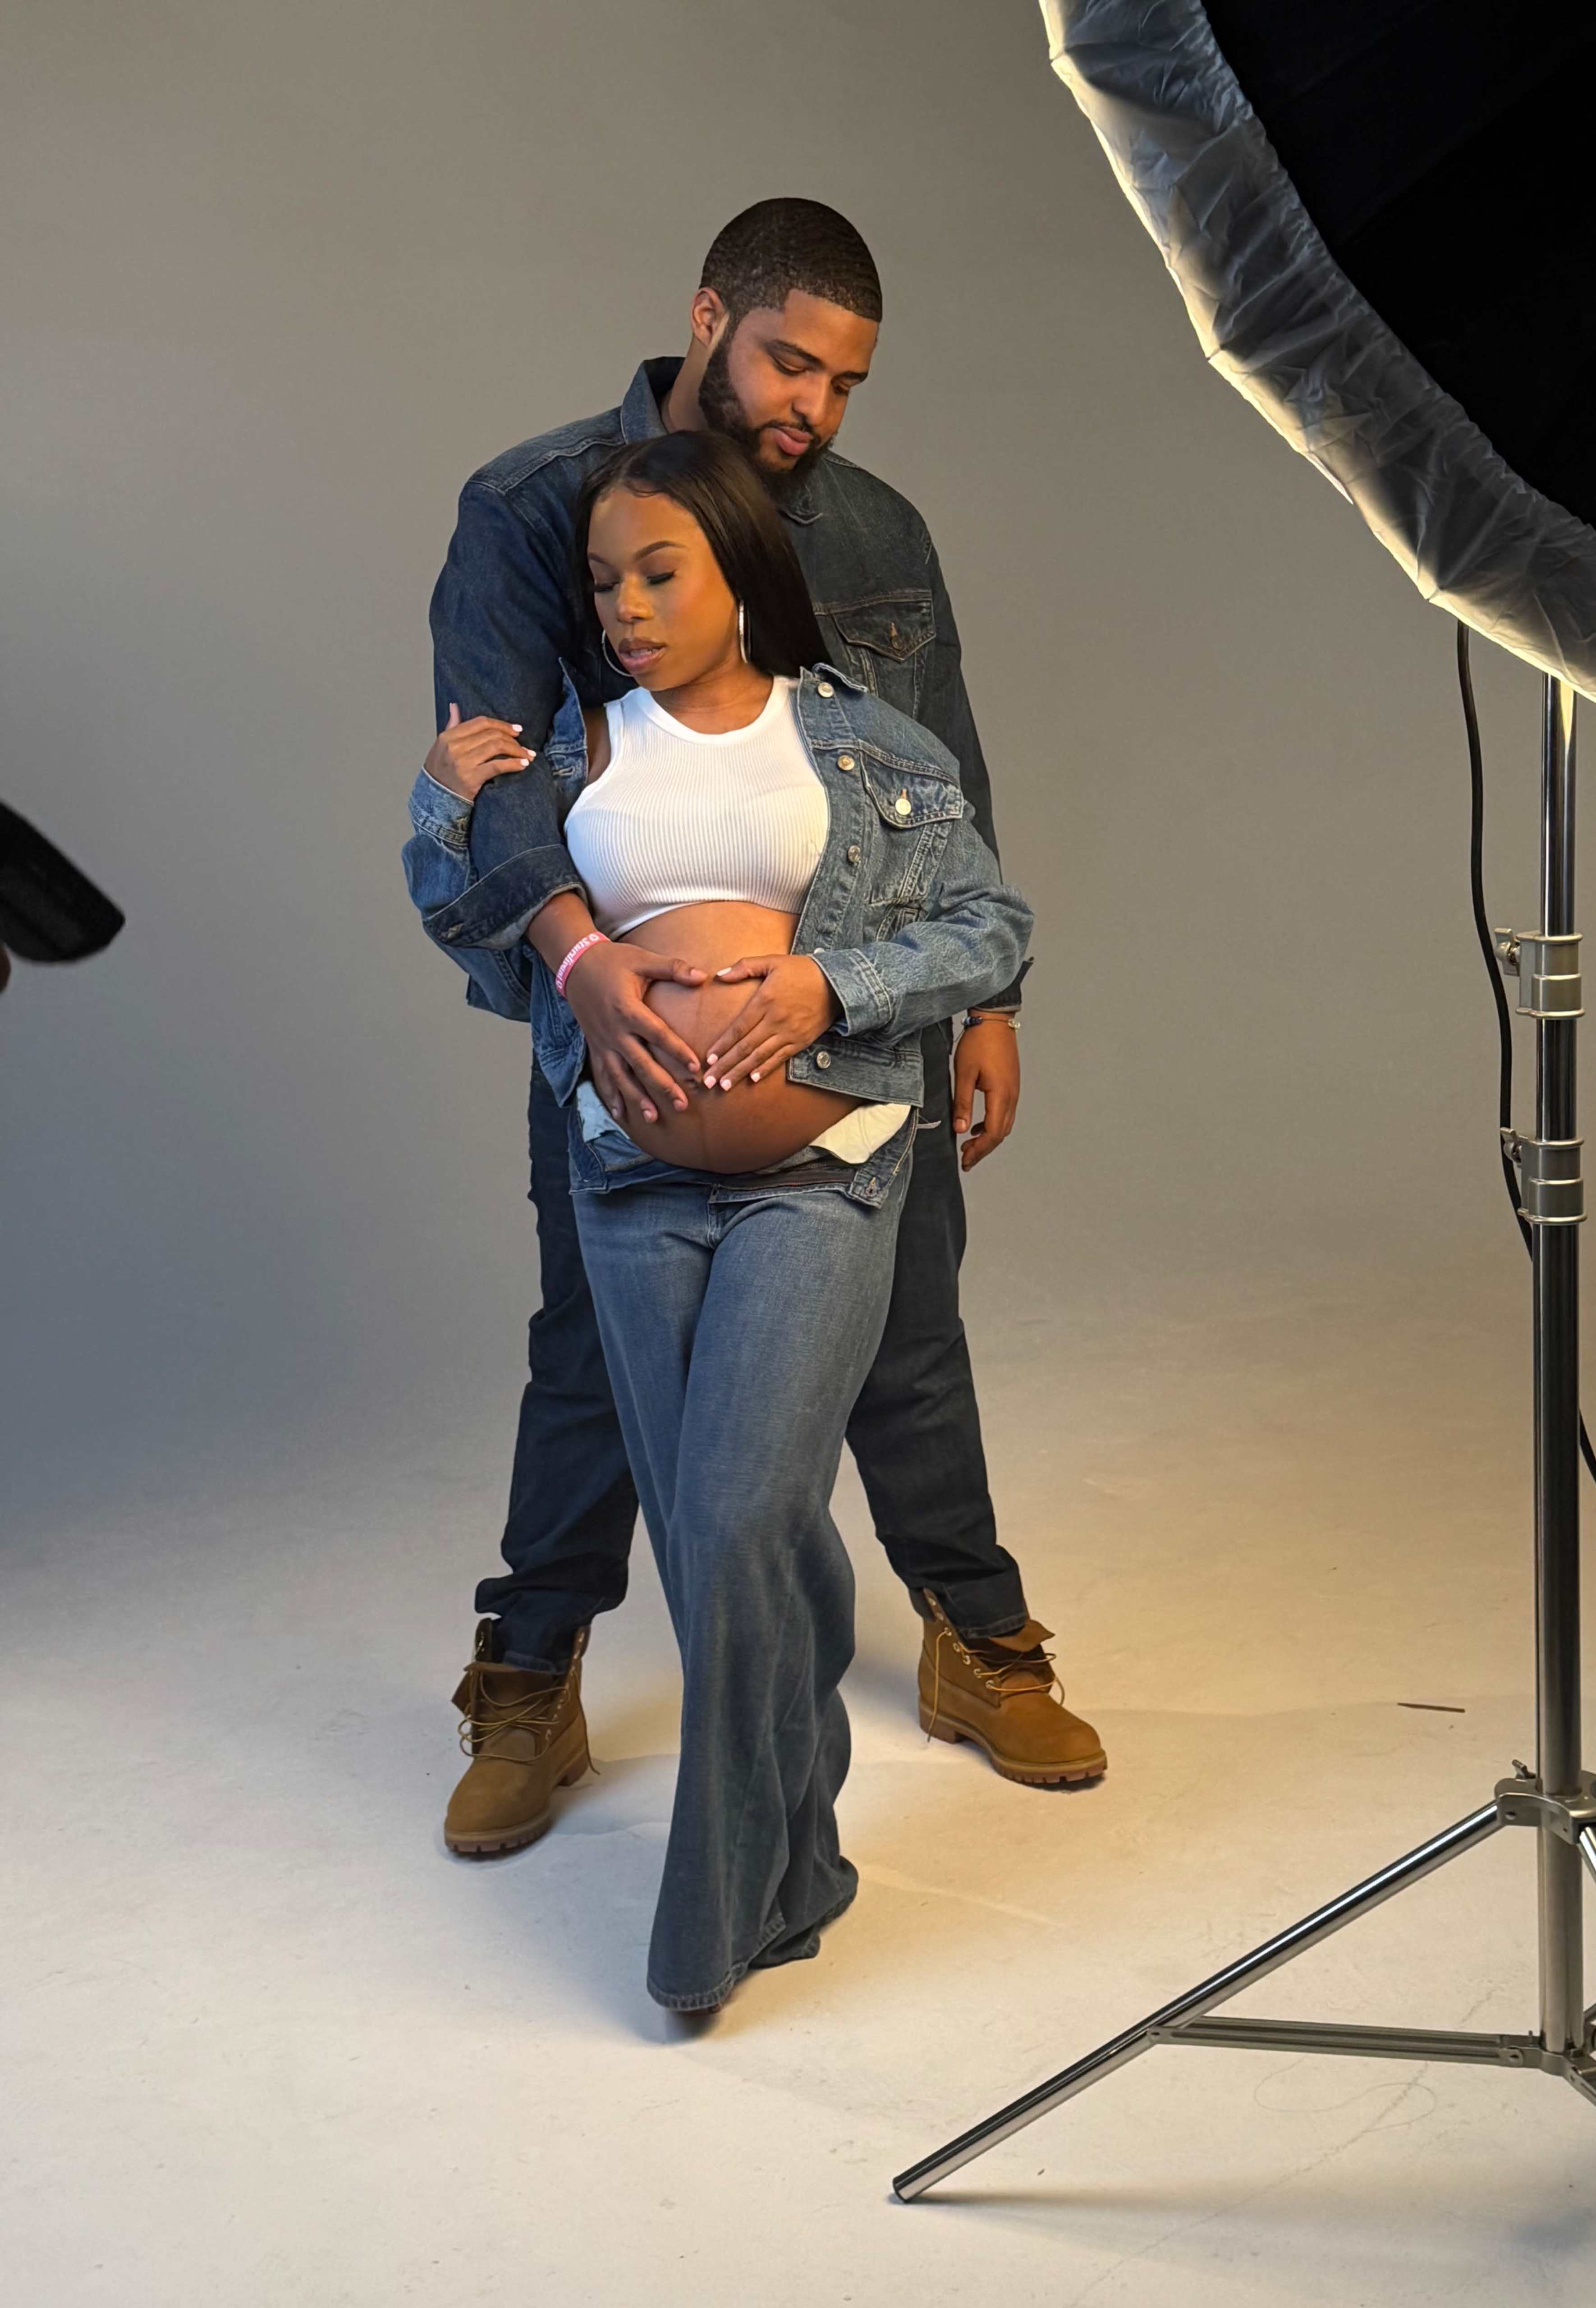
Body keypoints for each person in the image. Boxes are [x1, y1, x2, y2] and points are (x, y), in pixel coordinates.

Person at [416, 197, 1105, 1862]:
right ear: (710, 314)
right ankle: (532, 1671)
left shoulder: (870, 528)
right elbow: (491, 775)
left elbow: (947, 764)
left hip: (862, 1037)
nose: (814, 407)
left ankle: (974, 1636)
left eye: (848, 383)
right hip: (621, 1047)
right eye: (791, 359)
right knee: (586, 1348)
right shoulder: (531, 507)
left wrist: (988, 999)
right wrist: (586, 973)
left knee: (913, 1329)